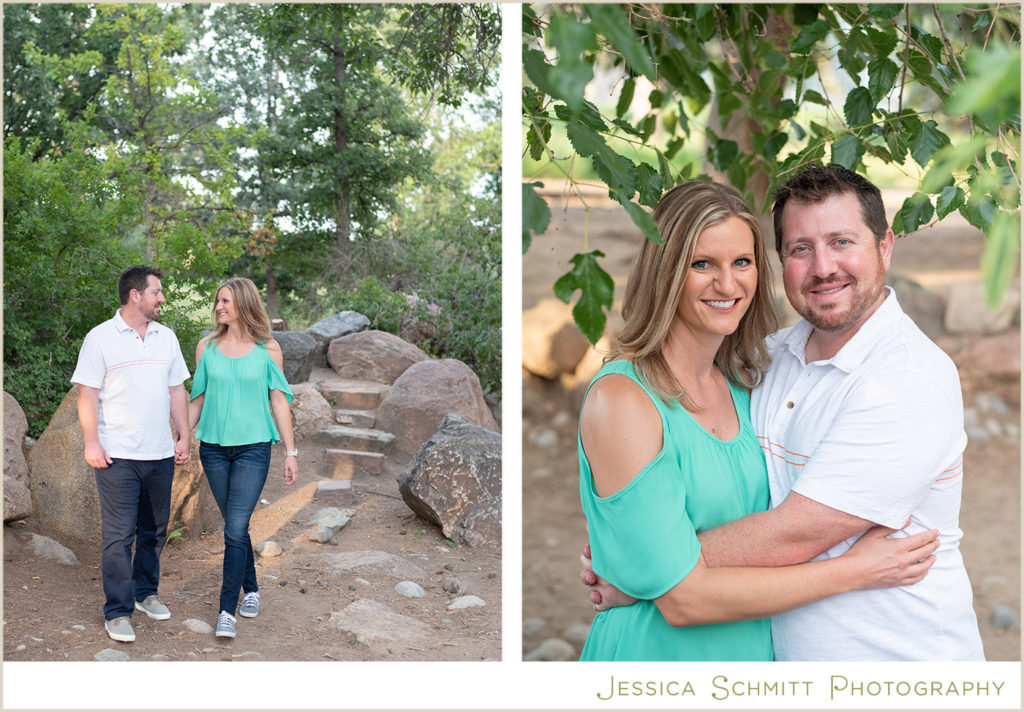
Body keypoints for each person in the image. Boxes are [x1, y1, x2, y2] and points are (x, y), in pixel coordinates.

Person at [584, 164, 985, 661]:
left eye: (842, 241)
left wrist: (642, 573)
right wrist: (654, 569)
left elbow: (793, 534)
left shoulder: (907, 380)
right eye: (800, 249)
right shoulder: (765, 365)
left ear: (884, 247)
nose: (823, 268)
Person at [72, 265, 192, 644]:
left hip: (158, 453)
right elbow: (86, 393)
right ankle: (119, 611)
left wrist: (184, 435)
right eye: (157, 291)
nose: (162, 298)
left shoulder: (166, 337)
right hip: (117, 455)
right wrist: (92, 442)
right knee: (118, 536)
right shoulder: (100, 338)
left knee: (154, 531)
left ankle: (145, 593)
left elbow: (177, 391)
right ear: (135, 295)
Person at [188, 277, 298, 639]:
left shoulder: (269, 350)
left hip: (254, 449)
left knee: (234, 529)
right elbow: (198, 399)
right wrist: (179, 437)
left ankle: (226, 611)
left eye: (226, 301)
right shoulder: (207, 347)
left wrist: (290, 451)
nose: (219, 306)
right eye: (218, 300)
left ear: (244, 304)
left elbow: (279, 401)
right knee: (237, 528)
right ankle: (251, 588)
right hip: (214, 450)